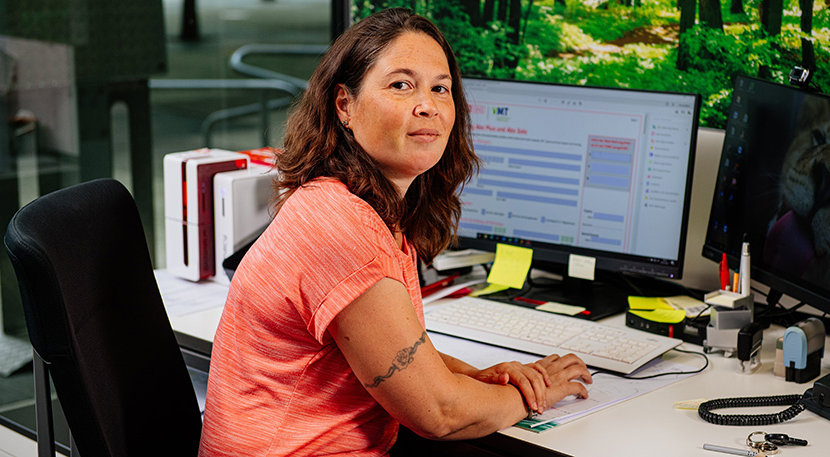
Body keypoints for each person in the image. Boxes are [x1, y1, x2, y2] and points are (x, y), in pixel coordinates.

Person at [198, 8, 592, 456]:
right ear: (344, 105)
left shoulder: (362, 207)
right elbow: (439, 415)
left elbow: (390, 356)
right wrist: (535, 392)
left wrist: (475, 376)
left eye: (440, 88)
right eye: (401, 85)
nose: (427, 104)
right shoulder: (339, 225)